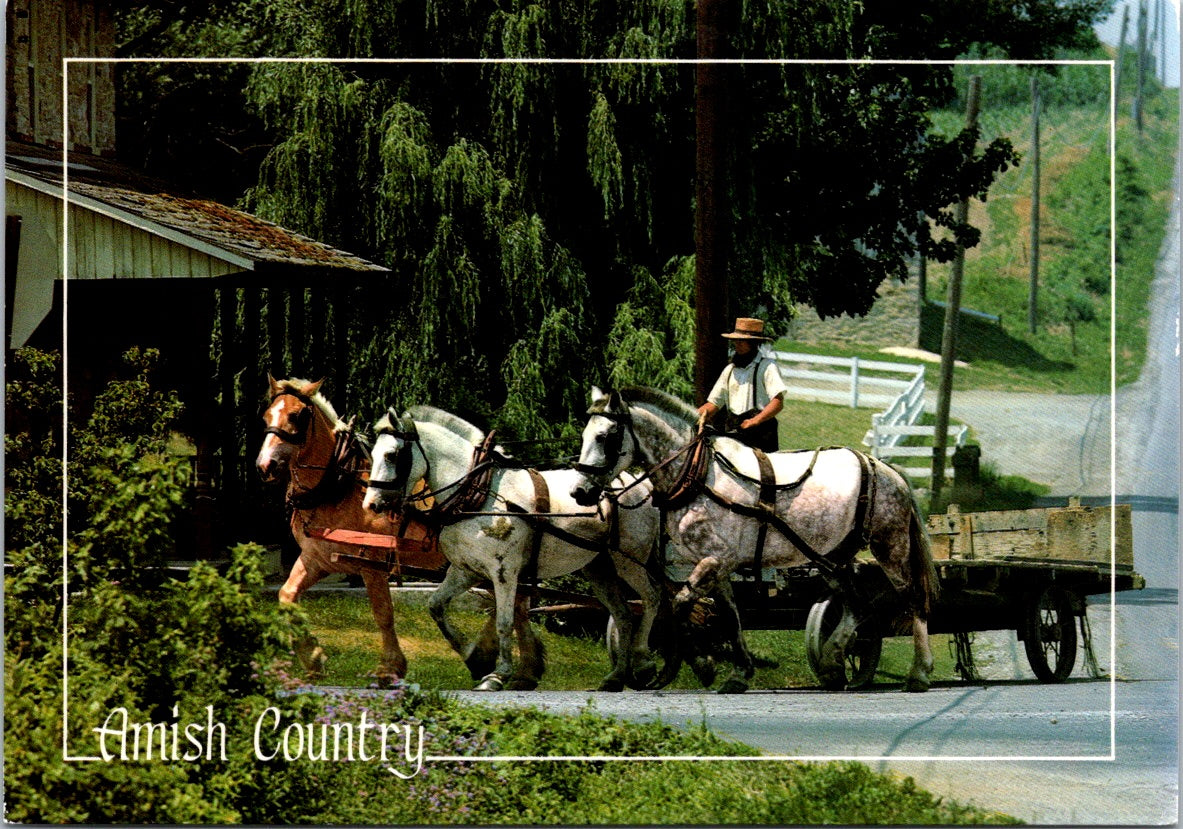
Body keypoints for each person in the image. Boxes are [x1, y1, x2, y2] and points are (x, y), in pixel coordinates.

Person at [696, 317, 787, 452]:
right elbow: (714, 403)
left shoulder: (767, 367)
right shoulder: (730, 370)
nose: (736, 345)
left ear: (753, 343)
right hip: (734, 433)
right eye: (735, 341)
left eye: (741, 341)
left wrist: (755, 421)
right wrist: (695, 416)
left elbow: (777, 402)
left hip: (761, 436)